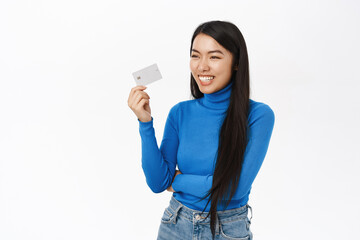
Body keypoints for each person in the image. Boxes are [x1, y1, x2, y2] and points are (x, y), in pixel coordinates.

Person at [128, 20, 275, 240]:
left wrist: (176, 181)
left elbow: (233, 189)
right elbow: (158, 182)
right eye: (195, 55)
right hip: (175, 225)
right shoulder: (180, 112)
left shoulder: (258, 115)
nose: (202, 66)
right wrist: (145, 123)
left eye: (214, 57)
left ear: (236, 62)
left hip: (226, 229)